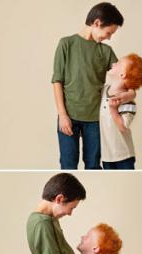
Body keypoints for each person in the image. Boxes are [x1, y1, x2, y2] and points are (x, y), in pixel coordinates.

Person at [52, 2, 135, 169]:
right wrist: (62, 114)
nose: (109, 37)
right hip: (69, 117)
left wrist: (130, 94)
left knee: (93, 165)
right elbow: (57, 81)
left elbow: (126, 78)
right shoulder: (66, 44)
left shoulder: (105, 52)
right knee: (68, 164)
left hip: (96, 120)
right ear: (97, 23)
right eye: (108, 32)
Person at [99, 53, 142, 169]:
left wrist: (113, 109)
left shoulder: (128, 103)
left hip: (123, 155)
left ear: (123, 74)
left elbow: (122, 127)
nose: (113, 63)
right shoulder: (104, 90)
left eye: (118, 63)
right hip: (107, 155)